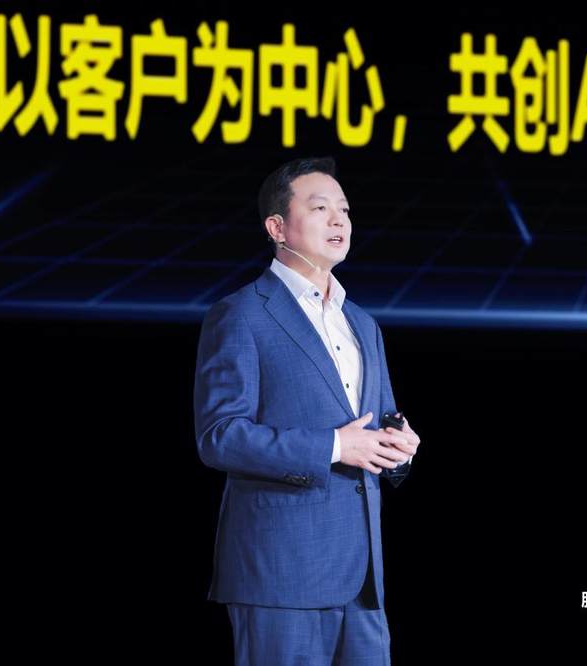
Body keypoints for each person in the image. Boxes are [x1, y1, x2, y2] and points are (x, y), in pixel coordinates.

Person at [193, 156, 421, 665]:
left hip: (363, 580)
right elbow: (220, 436)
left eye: (345, 209)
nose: (339, 220)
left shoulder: (362, 323)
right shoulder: (242, 313)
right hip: (281, 572)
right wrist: (336, 445)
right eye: (320, 208)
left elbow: (380, 425)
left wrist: (399, 449)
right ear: (277, 228)